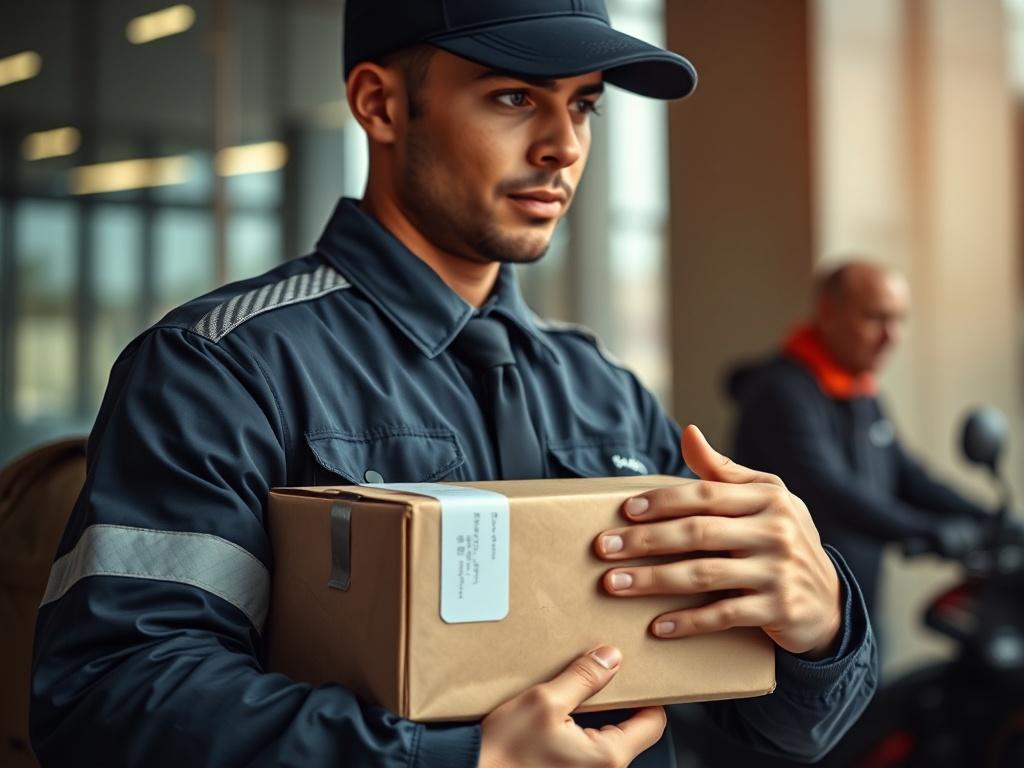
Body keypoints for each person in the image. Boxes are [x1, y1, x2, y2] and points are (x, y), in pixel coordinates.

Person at [31, 3, 877, 766]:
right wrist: (461, 759)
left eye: (582, 104)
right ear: (380, 104)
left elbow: (776, 730)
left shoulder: (604, 389)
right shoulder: (219, 367)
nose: (565, 145)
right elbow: (111, 699)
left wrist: (821, 625)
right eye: (515, 97)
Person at [730, 260, 990, 636]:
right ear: (827, 314)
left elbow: (909, 477)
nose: (892, 335)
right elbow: (829, 491)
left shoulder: (860, 392)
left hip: (855, 606)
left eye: (900, 320)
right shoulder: (782, 392)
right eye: (876, 318)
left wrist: (988, 518)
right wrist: (931, 531)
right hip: (791, 623)